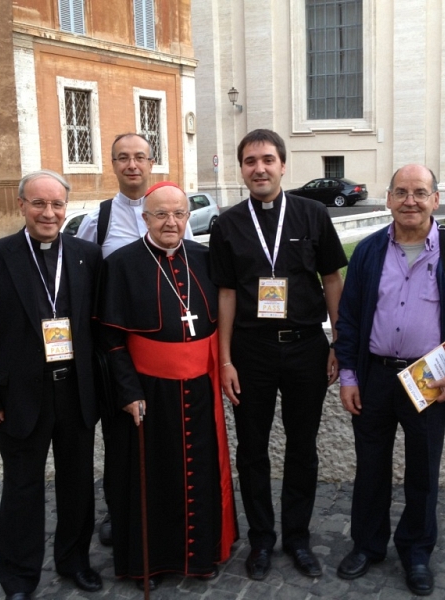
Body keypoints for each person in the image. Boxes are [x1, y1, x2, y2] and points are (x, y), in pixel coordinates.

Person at [334, 164, 445, 596]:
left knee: (423, 468)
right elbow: (348, 318)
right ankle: (367, 546)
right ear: (388, 199)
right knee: (370, 467)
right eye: (401, 192)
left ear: (435, 200)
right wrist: (348, 374)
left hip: (429, 379)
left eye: (420, 192)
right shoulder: (367, 251)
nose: (410, 200)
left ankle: (416, 551)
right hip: (375, 377)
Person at [209, 129, 347, 581]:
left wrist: (338, 343)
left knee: (302, 447)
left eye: (268, 159)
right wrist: (225, 359)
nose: (260, 168)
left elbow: (331, 280)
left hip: (306, 346)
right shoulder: (226, 224)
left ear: (283, 165)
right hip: (251, 352)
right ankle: (262, 540)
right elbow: (226, 294)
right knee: (251, 449)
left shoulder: (311, 214)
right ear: (242, 169)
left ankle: (299, 537)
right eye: (250, 161)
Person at [0, 170, 104, 600]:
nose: (49, 212)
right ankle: (18, 579)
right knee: (22, 488)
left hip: (77, 390)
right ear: (21, 205)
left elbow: (99, 329)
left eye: (57, 204)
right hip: (20, 395)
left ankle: (74, 562)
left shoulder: (87, 255)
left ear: (67, 208)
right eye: (39, 203)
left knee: (78, 484)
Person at [99, 181, 238, 590]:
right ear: (145, 218)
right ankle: (149, 563)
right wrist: (128, 391)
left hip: (199, 388)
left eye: (179, 214)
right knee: (151, 479)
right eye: (161, 214)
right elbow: (110, 339)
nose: (171, 222)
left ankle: (199, 557)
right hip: (148, 391)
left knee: (200, 472)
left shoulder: (204, 257)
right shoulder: (122, 264)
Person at [76, 132, 193, 546]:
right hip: (116, 347)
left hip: (163, 349)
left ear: (150, 162)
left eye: (139, 157)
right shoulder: (99, 220)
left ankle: (167, 511)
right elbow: (84, 279)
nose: (132, 165)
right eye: (123, 158)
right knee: (119, 437)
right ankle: (118, 510)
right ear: (113, 165)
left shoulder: (171, 210)